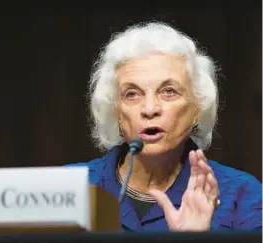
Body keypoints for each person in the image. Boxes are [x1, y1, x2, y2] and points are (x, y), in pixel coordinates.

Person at [66, 21, 262, 232]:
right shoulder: (68, 188)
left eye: (169, 91)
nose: (150, 109)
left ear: (198, 107)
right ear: (116, 113)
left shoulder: (242, 195)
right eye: (132, 94)